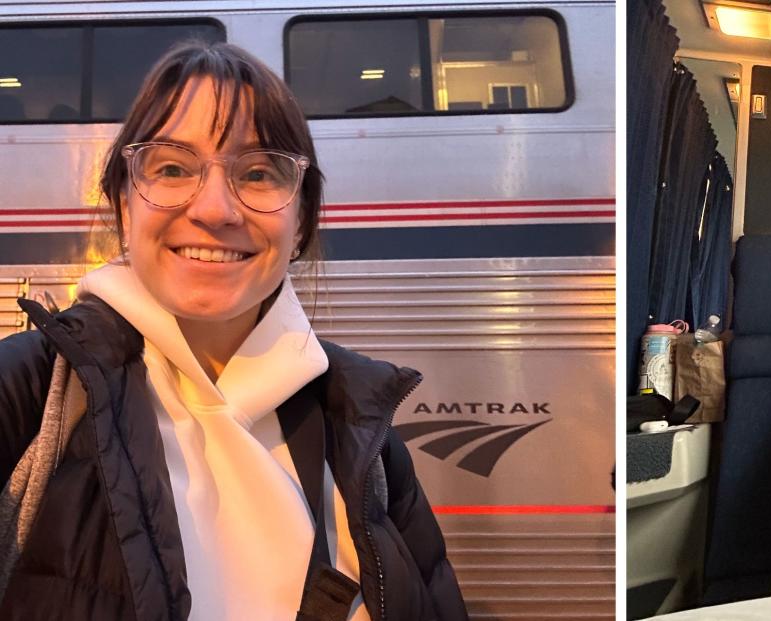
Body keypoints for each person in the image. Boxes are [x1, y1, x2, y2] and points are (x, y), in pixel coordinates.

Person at [0, 41, 467, 620]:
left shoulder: (362, 430)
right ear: (124, 206)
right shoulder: (26, 396)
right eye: (171, 167)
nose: (216, 209)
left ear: (300, 225)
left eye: (258, 173)